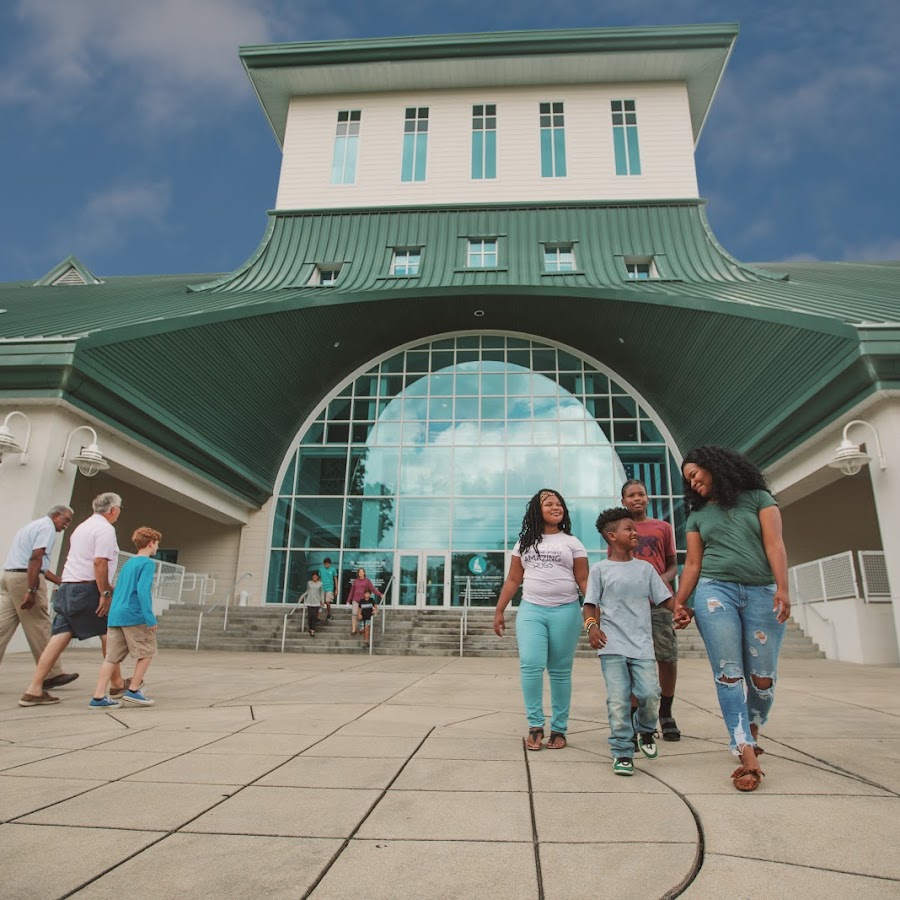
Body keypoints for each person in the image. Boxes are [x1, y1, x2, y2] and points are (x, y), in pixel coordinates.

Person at [671, 446, 791, 793]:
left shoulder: (758, 498)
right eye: (687, 479)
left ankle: (751, 730)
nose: (692, 482)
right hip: (714, 591)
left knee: (762, 678)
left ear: (715, 468)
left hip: (761, 592)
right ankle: (745, 751)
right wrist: (680, 603)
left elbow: (775, 546)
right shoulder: (697, 516)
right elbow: (692, 564)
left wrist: (782, 588)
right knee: (728, 674)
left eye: (695, 474)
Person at [493, 489, 588, 751]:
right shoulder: (523, 543)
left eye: (559, 504)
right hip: (532, 611)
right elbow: (514, 580)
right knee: (531, 664)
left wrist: (594, 611)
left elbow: (583, 580)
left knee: (559, 671)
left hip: (566, 611)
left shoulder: (573, 542)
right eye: (549, 504)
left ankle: (559, 728)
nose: (556, 507)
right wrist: (499, 610)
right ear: (538, 510)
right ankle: (535, 725)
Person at [586, 507, 674, 776]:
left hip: (642, 645)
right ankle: (622, 751)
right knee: (618, 700)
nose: (635, 533)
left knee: (649, 693)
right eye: (629, 530)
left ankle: (645, 730)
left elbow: (665, 599)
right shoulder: (600, 569)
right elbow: (590, 604)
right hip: (611, 646)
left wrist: (681, 611)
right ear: (612, 536)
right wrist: (592, 627)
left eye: (635, 529)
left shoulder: (645, 569)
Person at [19, 492, 127, 707]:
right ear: (113, 510)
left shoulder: (82, 527)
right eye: (120, 509)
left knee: (60, 635)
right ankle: (114, 684)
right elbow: (99, 562)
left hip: (68, 586)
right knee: (108, 633)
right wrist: (105, 592)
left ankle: (34, 688)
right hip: (88, 588)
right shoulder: (105, 529)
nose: (119, 513)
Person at [617, 479, 681, 740]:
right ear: (623, 501)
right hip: (630, 607)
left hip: (659, 604)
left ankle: (666, 713)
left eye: (640, 494)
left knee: (666, 657)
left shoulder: (662, 527)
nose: (636, 499)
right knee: (631, 661)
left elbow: (673, 565)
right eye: (630, 495)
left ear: (647, 498)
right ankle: (636, 717)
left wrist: (660, 581)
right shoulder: (619, 530)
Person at [1, 505, 79, 690]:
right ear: (56, 515)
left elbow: (39, 564)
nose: (66, 525)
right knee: (40, 625)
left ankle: (51, 672)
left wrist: (61, 581)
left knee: (2, 628)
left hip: (9, 577)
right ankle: (52, 673)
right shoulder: (47, 528)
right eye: (66, 520)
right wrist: (31, 589)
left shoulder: (30, 527)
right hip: (24, 579)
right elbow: (36, 559)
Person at [90, 527, 160, 708]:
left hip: (116, 615)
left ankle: (98, 697)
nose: (157, 548)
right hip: (134, 615)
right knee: (147, 651)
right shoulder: (147, 563)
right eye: (157, 544)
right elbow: (143, 591)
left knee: (111, 658)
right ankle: (134, 689)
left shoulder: (128, 563)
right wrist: (150, 618)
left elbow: (119, 588)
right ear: (151, 543)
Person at [345, 568, 382, 634]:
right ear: (358, 573)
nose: (361, 573)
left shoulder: (367, 581)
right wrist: (348, 601)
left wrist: (380, 594)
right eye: (360, 572)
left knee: (362, 615)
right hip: (355, 600)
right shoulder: (355, 581)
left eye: (362, 572)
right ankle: (353, 629)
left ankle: (361, 628)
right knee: (354, 613)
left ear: (364, 573)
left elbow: (373, 589)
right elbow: (351, 591)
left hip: (363, 601)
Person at [300, 571, 324, 636]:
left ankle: (313, 629)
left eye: (316, 577)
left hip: (317, 602)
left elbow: (321, 592)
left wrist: (322, 601)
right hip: (309, 601)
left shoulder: (320, 584)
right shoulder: (309, 583)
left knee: (314, 616)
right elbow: (307, 591)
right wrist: (302, 596)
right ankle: (310, 628)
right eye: (313, 577)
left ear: (318, 577)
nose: (314, 578)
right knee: (310, 616)